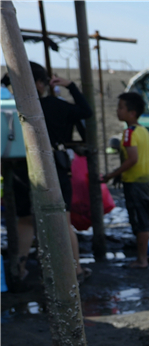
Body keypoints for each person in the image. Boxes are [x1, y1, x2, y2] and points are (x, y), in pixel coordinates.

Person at [2, 62, 92, 283]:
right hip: (53, 166)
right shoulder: (54, 104)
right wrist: (70, 86)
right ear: (39, 83)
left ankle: (20, 271)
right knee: (63, 219)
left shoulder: (12, 107)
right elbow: (86, 111)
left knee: (25, 221)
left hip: (21, 167)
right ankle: (75, 271)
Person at [101, 92, 149, 269]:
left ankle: (142, 259)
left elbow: (132, 159)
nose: (117, 111)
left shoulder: (129, 133)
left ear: (132, 113)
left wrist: (111, 175)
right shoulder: (144, 131)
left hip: (135, 183)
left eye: (121, 107)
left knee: (141, 221)